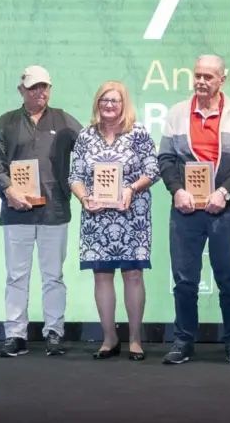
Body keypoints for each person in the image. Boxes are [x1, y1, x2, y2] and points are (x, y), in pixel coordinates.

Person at [157, 55, 230, 366]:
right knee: (184, 279)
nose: (201, 81)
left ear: (221, 80)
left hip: (225, 209)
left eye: (208, 77)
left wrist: (224, 193)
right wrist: (178, 191)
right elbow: (166, 160)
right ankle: (183, 341)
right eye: (197, 75)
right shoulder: (176, 113)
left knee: (229, 278)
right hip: (186, 209)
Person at [0, 65, 83, 358]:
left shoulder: (65, 121)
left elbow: (88, 152)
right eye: (33, 87)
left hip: (54, 211)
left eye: (44, 86)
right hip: (16, 212)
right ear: (21, 90)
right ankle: (15, 334)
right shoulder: (5, 123)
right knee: (16, 276)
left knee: (53, 275)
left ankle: (54, 332)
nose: (40, 92)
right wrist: (9, 191)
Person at [69, 81, 161, 360]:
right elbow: (74, 177)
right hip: (97, 217)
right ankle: (109, 339)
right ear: (97, 103)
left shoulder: (139, 133)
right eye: (104, 100)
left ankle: (135, 340)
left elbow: (153, 169)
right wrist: (85, 198)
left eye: (115, 100)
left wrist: (131, 189)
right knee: (102, 276)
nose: (109, 105)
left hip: (131, 215)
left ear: (124, 104)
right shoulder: (85, 136)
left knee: (133, 275)